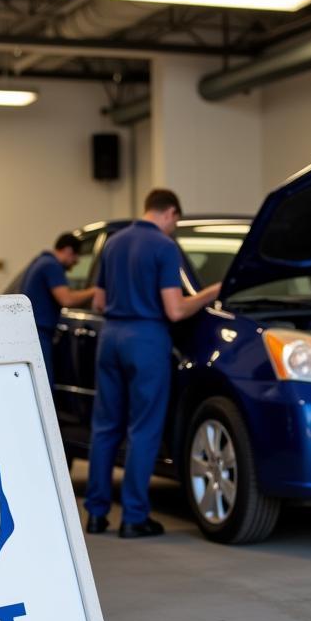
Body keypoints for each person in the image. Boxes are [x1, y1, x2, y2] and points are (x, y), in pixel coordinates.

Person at [85, 189, 221, 539]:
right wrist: (211, 293)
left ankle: (96, 516)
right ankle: (134, 517)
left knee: (105, 429)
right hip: (146, 339)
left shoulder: (114, 243)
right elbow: (175, 310)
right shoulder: (163, 246)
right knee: (143, 430)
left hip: (110, 337)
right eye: (176, 221)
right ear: (170, 212)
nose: (174, 227)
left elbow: (99, 302)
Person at [20, 233, 96, 385]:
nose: (76, 261)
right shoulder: (51, 265)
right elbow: (66, 299)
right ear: (68, 250)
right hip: (39, 335)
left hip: (29, 333)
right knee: (44, 386)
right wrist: (95, 291)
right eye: (76, 256)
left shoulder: (39, 262)